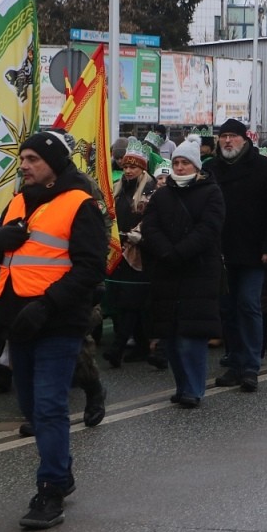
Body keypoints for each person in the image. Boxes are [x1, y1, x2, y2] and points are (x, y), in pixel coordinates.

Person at [0, 132, 106, 530]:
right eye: (23, 159)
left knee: (50, 406)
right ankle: (61, 470)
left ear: (52, 162)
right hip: (18, 321)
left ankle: (50, 489)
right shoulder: (17, 200)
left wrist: (47, 305)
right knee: (32, 406)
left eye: (32, 158)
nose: (24, 165)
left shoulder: (80, 203)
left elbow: (90, 268)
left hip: (57, 321)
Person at [138, 139, 225, 408]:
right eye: (176, 163)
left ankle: (194, 388)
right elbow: (150, 227)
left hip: (198, 272)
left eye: (185, 162)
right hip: (168, 272)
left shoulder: (211, 192)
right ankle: (182, 385)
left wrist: (180, 252)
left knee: (192, 336)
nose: (180, 167)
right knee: (172, 336)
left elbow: (209, 229)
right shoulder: (162, 195)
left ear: (196, 166)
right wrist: (166, 252)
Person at [208, 119, 267, 393]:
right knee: (227, 308)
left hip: (254, 251)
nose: (227, 141)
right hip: (221, 252)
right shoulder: (211, 169)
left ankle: (251, 365)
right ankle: (235, 361)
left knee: (249, 304)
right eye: (223, 136)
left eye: (233, 136)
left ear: (245, 139)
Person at [104, 137, 156, 369]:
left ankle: (118, 347)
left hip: (140, 252)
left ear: (142, 168)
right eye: (125, 166)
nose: (127, 170)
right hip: (119, 250)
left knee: (132, 301)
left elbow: (151, 220)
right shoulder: (118, 190)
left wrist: (134, 236)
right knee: (124, 300)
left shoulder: (151, 190)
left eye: (132, 166)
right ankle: (141, 345)